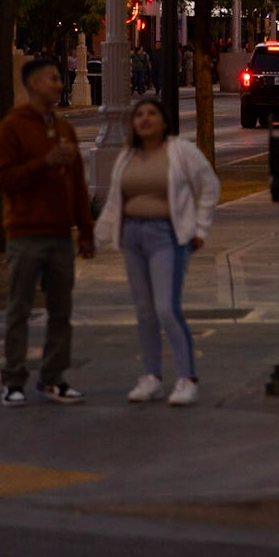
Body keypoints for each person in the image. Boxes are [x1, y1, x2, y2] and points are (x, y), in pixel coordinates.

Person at [94, 94, 220, 404]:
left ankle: (186, 378)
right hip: (132, 236)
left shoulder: (181, 152)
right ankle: (151, 376)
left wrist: (200, 229)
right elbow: (114, 202)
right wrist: (95, 239)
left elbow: (209, 186)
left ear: (164, 120)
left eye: (152, 113)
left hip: (167, 236)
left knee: (166, 308)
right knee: (145, 312)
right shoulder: (127, 156)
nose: (145, 119)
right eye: (139, 115)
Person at [0, 54, 95, 406]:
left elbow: (78, 183)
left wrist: (86, 229)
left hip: (59, 235)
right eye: (53, 78)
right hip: (24, 232)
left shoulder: (65, 129)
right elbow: (4, 178)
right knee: (19, 308)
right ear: (35, 83)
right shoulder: (12, 128)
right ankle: (13, 379)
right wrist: (43, 163)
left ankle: (53, 377)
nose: (59, 84)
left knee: (61, 310)